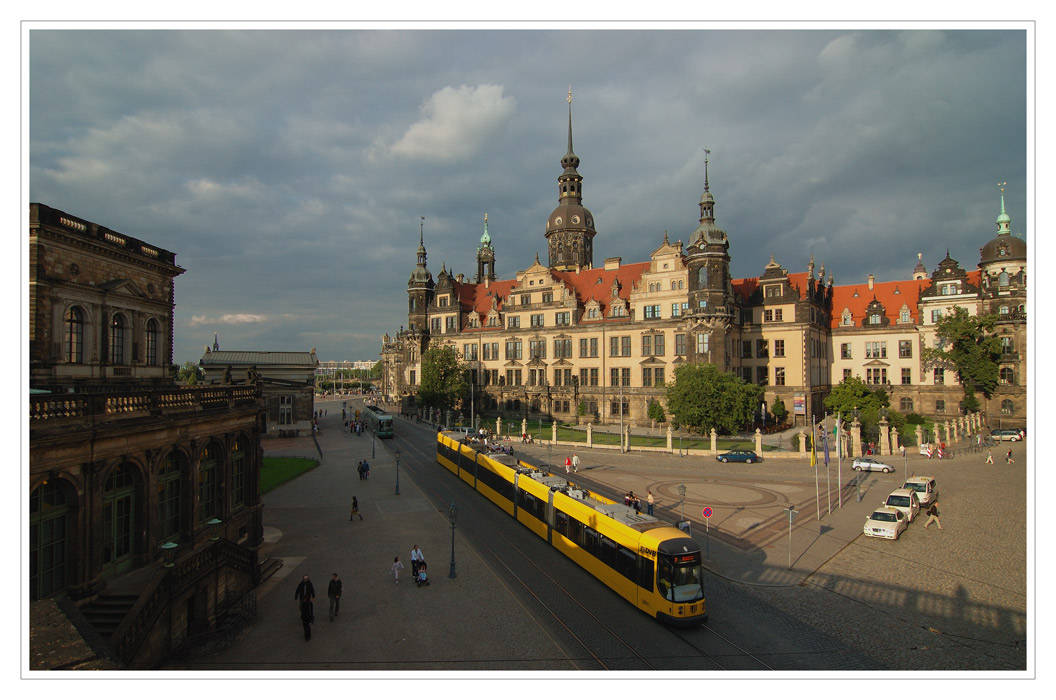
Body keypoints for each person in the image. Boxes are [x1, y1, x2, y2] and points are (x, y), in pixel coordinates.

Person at [295, 575, 315, 639]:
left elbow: (312, 590)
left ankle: (307, 636)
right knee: (300, 607)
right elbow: (298, 590)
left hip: (308, 616)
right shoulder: (301, 584)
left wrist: (313, 596)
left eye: (306, 578)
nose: (305, 579)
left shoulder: (310, 584)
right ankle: (306, 635)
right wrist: (296, 597)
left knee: (307, 626)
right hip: (302, 597)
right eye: (304, 578)